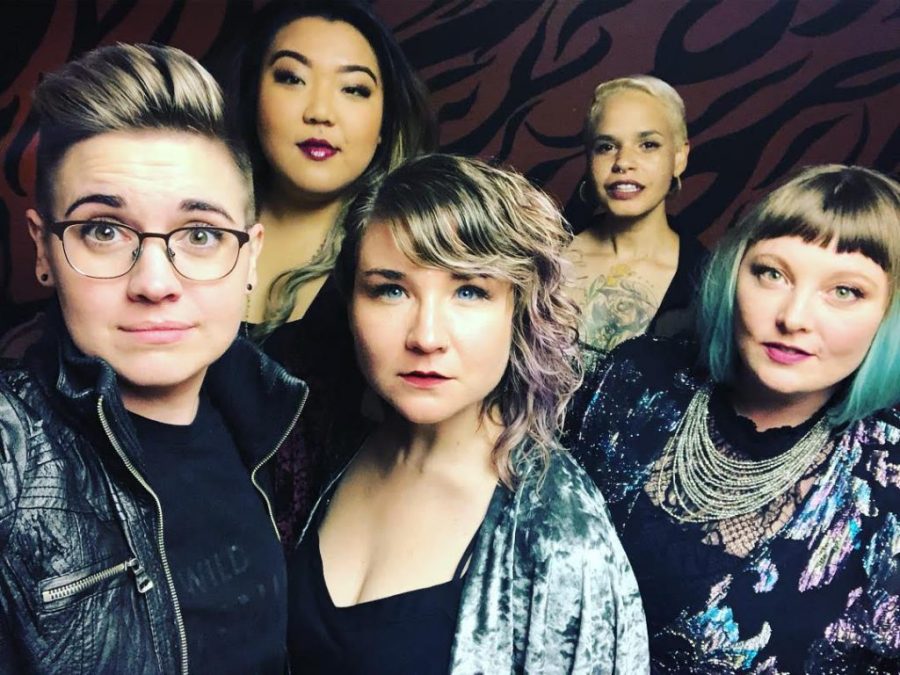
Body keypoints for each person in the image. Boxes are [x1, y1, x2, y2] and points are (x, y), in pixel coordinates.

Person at [0, 44, 307, 673]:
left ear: (250, 256)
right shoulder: (11, 458)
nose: (155, 282)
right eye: (103, 230)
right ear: (43, 251)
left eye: (200, 234)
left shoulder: (281, 425)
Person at [286, 154, 649, 673]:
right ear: (351, 303)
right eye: (391, 290)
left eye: (469, 291)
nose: (426, 336)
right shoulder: (328, 444)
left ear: (520, 311)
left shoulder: (559, 533)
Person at [566, 165, 900, 672]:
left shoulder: (887, 476)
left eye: (845, 291)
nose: (793, 317)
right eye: (772, 274)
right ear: (734, 272)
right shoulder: (635, 377)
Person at [228, 0, 437, 540]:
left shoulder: (415, 268)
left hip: (331, 566)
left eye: (354, 89)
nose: (320, 111)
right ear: (253, 95)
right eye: (292, 78)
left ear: (386, 118)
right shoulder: (182, 236)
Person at [568, 75, 706, 352]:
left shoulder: (708, 283)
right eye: (606, 147)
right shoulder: (542, 255)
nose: (623, 162)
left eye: (648, 145)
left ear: (679, 157)